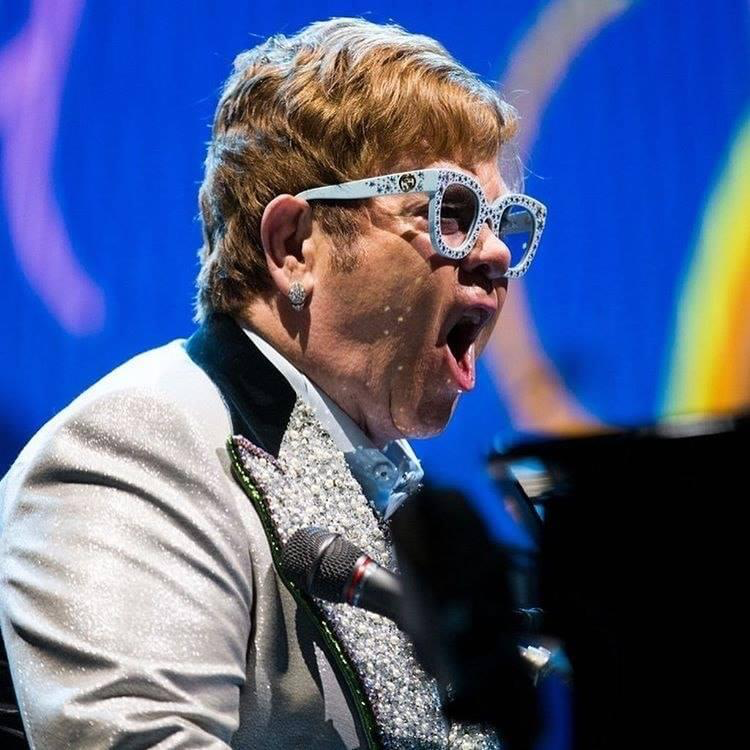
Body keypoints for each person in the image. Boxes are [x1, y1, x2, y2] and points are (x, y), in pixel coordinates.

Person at [0, 17, 546, 749]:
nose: (495, 253)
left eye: (504, 221)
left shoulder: (383, 481)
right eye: (449, 212)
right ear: (294, 246)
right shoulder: (135, 448)